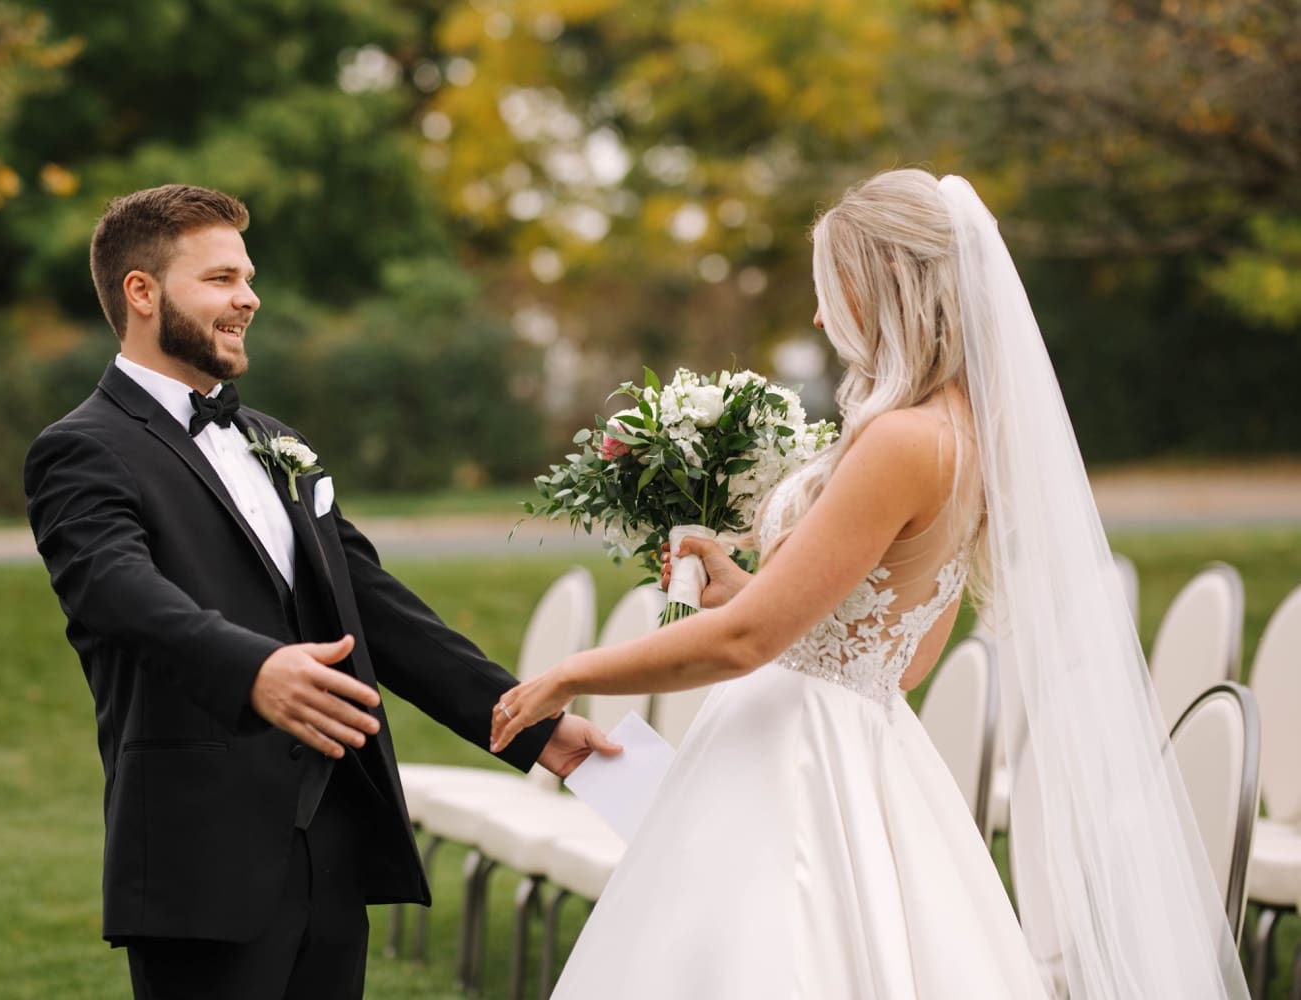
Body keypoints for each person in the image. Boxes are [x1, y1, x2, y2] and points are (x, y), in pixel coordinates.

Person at [490, 169, 1249, 998]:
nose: (821, 316)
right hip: (864, 748)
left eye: (831, 284)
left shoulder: (901, 440)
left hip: (798, 762)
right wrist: (750, 586)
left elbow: (748, 643)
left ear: (886, 281)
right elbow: (898, 655)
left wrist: (570, 673)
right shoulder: (967, 437)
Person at [23, 183, 617, 1000]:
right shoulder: (82, 448)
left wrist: (526, 723)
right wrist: (254, 670)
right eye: (221, 278)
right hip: (201, 850)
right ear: (142, 292)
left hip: (334, 833)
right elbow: (114, 590)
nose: (249, 298)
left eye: (248, 277)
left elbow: (373, 606)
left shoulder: (276, 441)